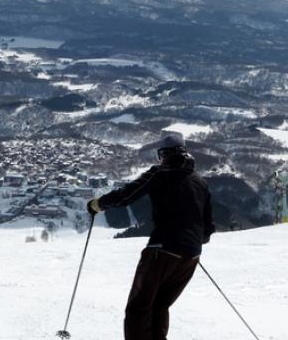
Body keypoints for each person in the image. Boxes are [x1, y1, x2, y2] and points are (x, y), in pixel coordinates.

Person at [87, 134, 215, 340]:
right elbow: (208, 229)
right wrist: (188, 241)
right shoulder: (201, 182)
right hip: (191, 256)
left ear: (164, 154)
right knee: (160, 305)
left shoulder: (159, 173)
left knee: (140, 307)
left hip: (162, 249)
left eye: (160, 155)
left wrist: (97, 205)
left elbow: (126, 195)